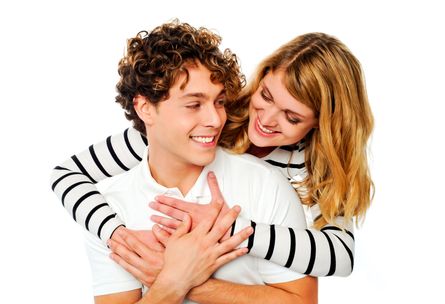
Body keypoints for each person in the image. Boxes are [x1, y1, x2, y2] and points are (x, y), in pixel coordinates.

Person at [69, 21, 317, 304]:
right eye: (193, 104)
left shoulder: (265, 184)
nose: (215, 120)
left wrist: (185, 280)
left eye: (219, 101)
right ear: (145, 108)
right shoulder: (108, 209)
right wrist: (175, 279)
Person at [50, 27, 373, 278]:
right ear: (262, 78)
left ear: (322, 124)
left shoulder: (312, 163)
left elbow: (340, 256)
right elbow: (66, 175)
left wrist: (232, 231)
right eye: (266, 95)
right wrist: (116, 234)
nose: (266, 118)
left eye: (292, 117)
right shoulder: (208, 118)